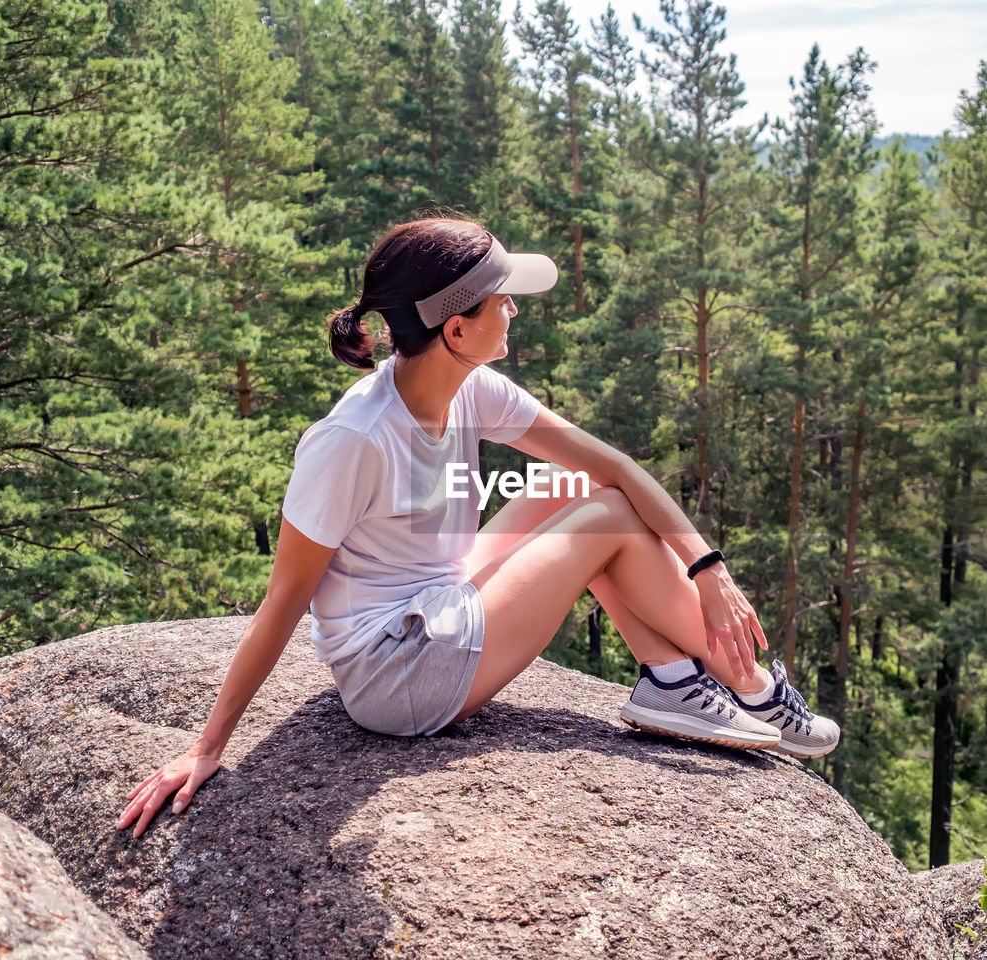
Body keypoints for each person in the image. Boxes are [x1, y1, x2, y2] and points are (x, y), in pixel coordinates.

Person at [116, 216, 839, 839]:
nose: (516, 314)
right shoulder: (352, 440)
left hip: (437, 598)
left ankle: (677, 678)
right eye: (503, 302)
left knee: (586, 483)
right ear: (457, 329)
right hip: (393, 670)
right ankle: (741, 682)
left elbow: (613, 462)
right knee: (607, 520)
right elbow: (283, 602)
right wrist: (208, 747)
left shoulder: (470, 385)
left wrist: (710, 569)